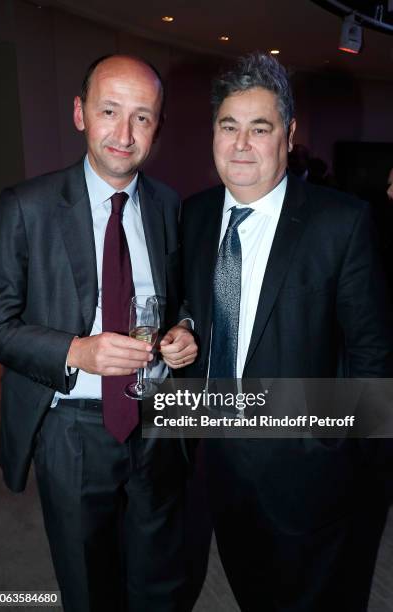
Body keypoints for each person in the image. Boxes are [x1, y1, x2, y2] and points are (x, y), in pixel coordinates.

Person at [181, 52, 393, 611]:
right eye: (229, 127)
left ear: (289, 133)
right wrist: (182, 327)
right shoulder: (195, 216)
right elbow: (192, 308)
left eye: (260, 127)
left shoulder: (341, 223)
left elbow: (374, 358)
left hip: (314, 482)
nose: (242, 144)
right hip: (221, 470)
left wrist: (341, 458)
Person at [0, 54, 197, 612]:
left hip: (157, 419)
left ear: (157, 126)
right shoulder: (25, 207)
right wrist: (77, 350)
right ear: (80, 113)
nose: (124, 134)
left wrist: (183, 330)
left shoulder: (169, 204)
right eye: (109, 111)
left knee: (158, 576)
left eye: (142, 117)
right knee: (88, 581)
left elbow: (181, 300)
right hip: (73, 429)